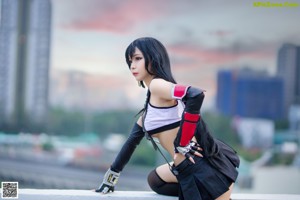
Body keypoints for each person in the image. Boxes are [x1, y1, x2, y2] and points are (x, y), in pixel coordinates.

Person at [95, 37, 239, 200]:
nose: (132, 66)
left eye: (138, 58)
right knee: (155, 180)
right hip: (192, 165)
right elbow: (131, 143)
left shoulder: (158, 85)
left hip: (205, 171)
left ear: (153, 57)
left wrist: (182, 143)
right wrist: (110, 179)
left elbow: (196, 94)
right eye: (130, 61)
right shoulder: (151, 104)